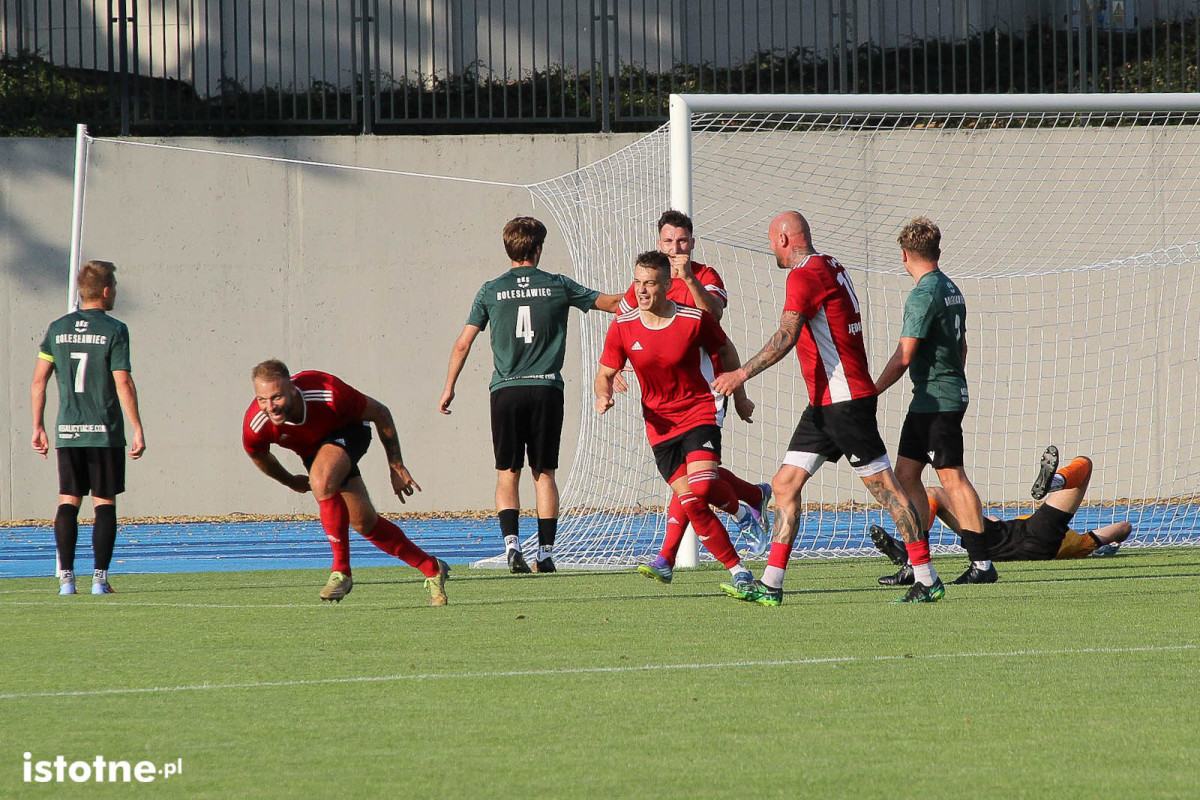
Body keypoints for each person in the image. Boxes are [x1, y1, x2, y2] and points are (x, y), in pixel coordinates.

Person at [712, 211, 941, 604]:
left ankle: (927, 577)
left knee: (887, 490)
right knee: (784, 485)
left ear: (785, 239)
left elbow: (786, 336)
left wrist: (740, 375)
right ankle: (771, 584)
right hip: (824, 404)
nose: (771, 248)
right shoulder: (830, 264)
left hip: (844, 402)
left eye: (771, 240)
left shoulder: (803, 276)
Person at [439, 216, 622, 574]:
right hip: (546, 388)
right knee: (544, 473)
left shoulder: (490, 290)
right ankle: (546, 553)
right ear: (538, 249)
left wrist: (449, 387)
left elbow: (463, 343)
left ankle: (512, 546)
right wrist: (651, 288)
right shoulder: (557, 285)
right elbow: (612, 303)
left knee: (507, 472)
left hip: (506, 390)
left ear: (508, 248)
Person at [616, 211, 770, 582]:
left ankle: (668, 556)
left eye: (682, 241)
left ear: (692, 243)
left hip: (706, 393)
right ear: (659, 243)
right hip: (663, 405)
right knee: (694, 480)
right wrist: (614, 369)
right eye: (669, 241)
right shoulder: (647, 283)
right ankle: (751, 498)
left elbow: (714, 317)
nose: (675, 248)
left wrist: (740, 395)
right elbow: (623, 326)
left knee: (695, 482)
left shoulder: (706, 276)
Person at [243, 359, 448, 605]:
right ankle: (432, 567)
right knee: (364, 522)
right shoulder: (256, 423)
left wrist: (396, 466)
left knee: (321, 481)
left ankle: (341, 572)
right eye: (262, 399)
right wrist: (290, 481)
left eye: (276, 397)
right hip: (315, 451)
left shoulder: (328, 393)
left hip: (350, 430)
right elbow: (258, 454)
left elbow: (380, 412)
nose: (270, 407)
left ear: (292, 389)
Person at [872, 217, 991, 586]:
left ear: (904, 255)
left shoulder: (923, 294)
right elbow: (962, 347)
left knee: (952, 477)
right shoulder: (951, 287)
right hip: (931, 398)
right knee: (906, 476)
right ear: (937, 251)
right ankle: (916, 561)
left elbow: (903, 356)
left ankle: (982, 563)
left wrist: (870, 393)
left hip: (937, 402)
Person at [31, 259, 146, 596]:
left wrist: (38, 425)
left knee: (68, 500)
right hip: (104, 432)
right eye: (115, 289)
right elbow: (123, 381)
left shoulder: (57, 329)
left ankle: (66, 580)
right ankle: (99, 579)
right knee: (104, 502)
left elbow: (38, 382)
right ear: (107, 291)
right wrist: (137, 427)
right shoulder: (115, 330)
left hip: (68, 431)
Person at [871, 446, 1132, 573]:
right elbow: (1123, 527)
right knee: (1085, 463)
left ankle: (911, 550)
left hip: (990, 545)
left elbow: (993, 518)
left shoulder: (1080, 545)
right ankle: (1055, 482)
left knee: (933, 494)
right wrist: (1107, 545)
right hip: (1043, 540)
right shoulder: (1080, 545)